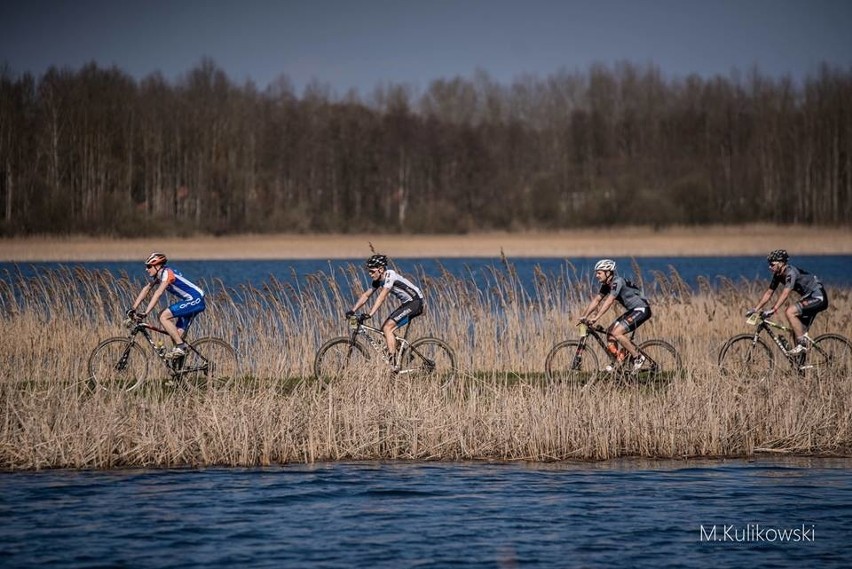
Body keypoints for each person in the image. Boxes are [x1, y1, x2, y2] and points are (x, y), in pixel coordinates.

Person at [346, 254, 424, 366]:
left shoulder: (390, 276)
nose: (370, 274)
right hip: (408, 303)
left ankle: (393, 362)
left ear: (381, 269)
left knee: (388, 328)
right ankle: (406, 354)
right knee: (384, 329)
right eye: (369, 271)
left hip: (415, 302)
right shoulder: (378, 280)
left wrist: (370, 313)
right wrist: (352, 310)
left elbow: (382, 296)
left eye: (372, 271)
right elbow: (366, 296)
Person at [750, 249, 828, 355]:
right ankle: (800, 367)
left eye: (772, 264)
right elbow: (769, 293)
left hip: (818, 297)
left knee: (790, 311)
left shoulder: (790, 273)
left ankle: (802, 345)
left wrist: (774, 309)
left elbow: (786, 293)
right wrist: (756, 309)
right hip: (809, 297)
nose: (769, 267)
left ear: (781, 263)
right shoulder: (778, 275)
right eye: (769, 264)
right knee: (796, 332)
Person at [578, 259, 652, 371]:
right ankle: (618, 361)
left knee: (617, 333)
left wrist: (596, 317)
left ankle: (638, 357)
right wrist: (584, 316)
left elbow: (609, 301)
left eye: (599, 273)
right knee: (610, 333)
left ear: (608, 273)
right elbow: (597, 300)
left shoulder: (617, 282)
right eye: (596, 273)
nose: (597, 275)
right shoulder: (606, 285)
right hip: (633, 310)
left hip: (642, 309)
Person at [129, 252, 206, 359]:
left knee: (163, 316)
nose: (147, 269)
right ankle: (179, 371)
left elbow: (158, 293)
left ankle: (180, 347)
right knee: (177, 335)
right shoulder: (159, 275)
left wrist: (146, 313)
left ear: (157, 266)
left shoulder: (167, 274)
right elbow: (146, 289)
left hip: (196, 300)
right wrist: (133, 308)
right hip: (190, 301)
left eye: (149, 266)